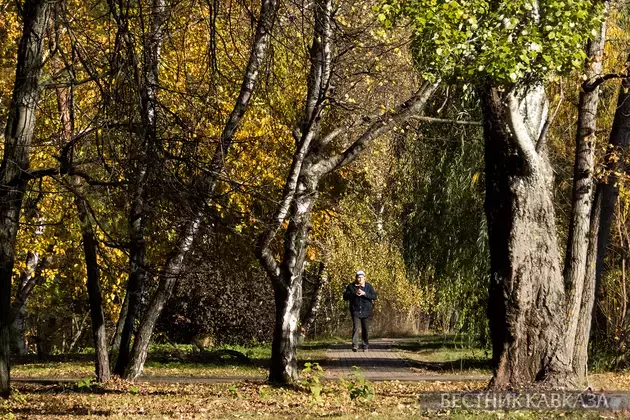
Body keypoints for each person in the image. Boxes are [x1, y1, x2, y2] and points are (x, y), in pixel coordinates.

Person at [343, 270, 377, 352]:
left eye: (361, 278)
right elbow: (345, 297)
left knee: (365, 329)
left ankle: (365, 346)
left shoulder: (368, 286)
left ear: (364, 278)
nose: (360, 280)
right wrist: (354, 293)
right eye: (358, 278)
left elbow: (374, 296)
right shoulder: (351, 286)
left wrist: (364, 294)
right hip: (355, 310)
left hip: (366, 311)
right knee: (356, 328)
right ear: (356, 278)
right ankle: (355, 346)